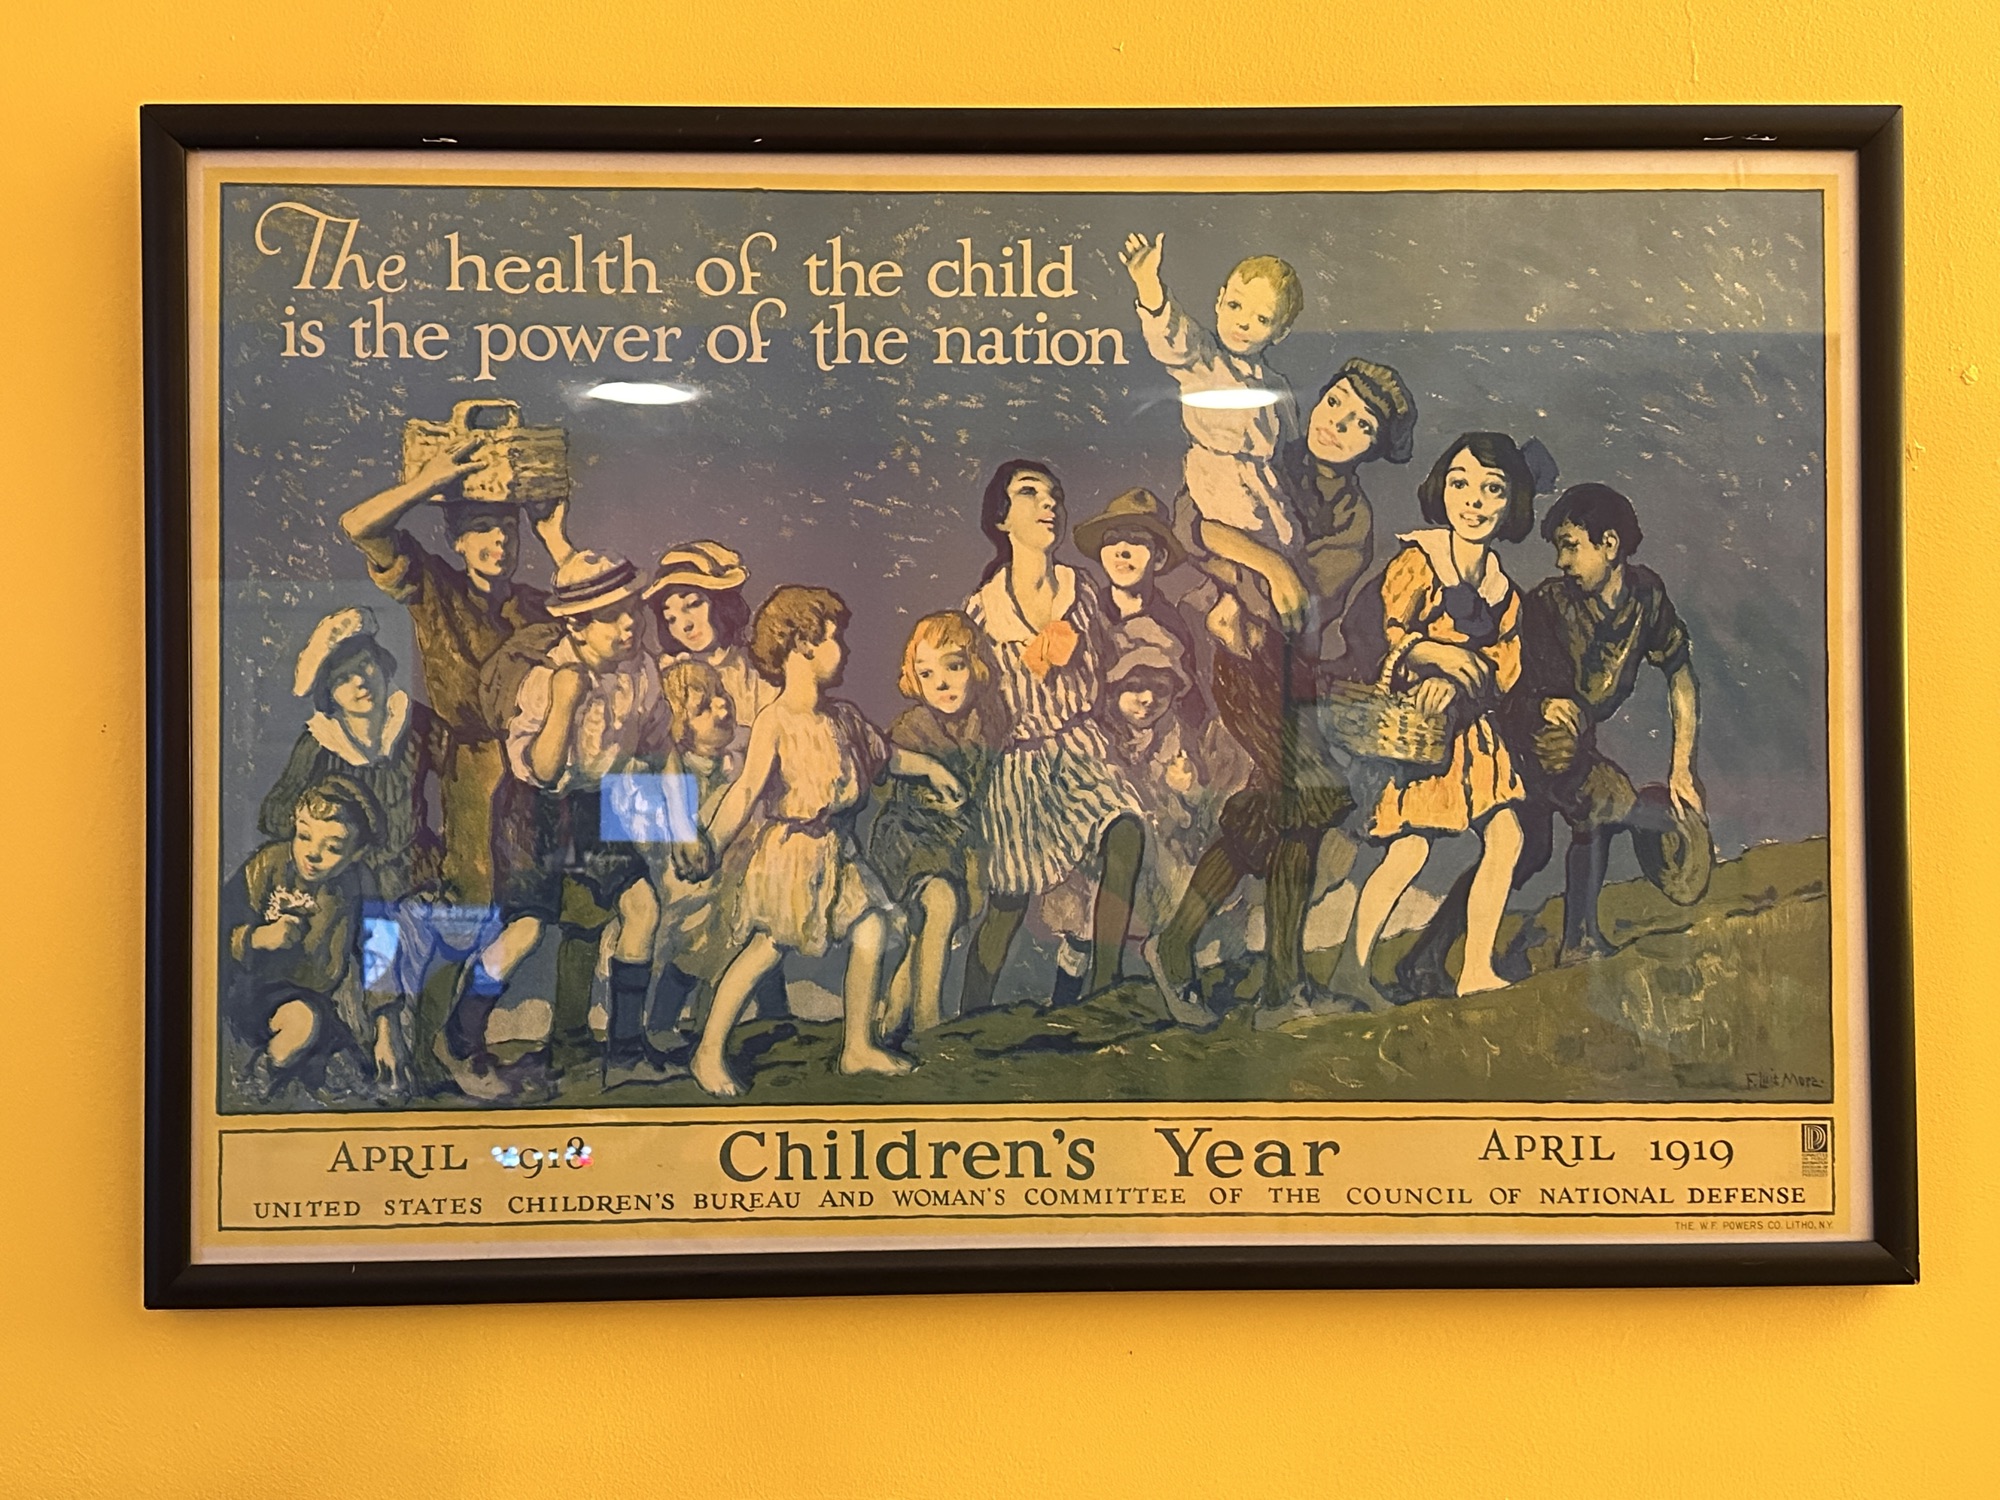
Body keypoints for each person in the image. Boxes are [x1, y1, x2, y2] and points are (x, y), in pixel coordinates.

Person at [1394, 482, 1705, 994]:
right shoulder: (1546, 604)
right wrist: (1544, 704)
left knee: (1531, 850)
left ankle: (1424, 960)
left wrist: (1682, 766)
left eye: (1571, 546)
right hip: (1523, 739)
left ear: (1610, 545)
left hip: (1570, 744)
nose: (1561, 561)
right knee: (1603, 798)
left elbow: (1681, 674)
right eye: (1559, 548)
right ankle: (1580, 938)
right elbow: (1510, 686)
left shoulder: (1647, 597)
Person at [690, 587, 961, 1096]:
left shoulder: (844, 717)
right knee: (767, 948)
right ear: (802, 646)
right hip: (791, 854)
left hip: (839, 851)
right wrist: (711, 843)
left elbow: (889, 757)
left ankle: (857, 1047)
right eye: (835, 638)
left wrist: (933, 770)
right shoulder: (776, 721)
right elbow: (745, 790)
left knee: (872, 928)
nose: (846, 650)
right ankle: (707, 1053)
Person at [1328, 432, 1554, 1009]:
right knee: (1409, 850)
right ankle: (1351, 970)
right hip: (1420, 731)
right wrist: (1437, 657)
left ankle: (1475, 967)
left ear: (1512, 503)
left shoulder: (1503, 590)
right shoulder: (1420, 560)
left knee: (1507, 835)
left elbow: (1504, 667)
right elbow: (1388, 632)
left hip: (1473, 735)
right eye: (1460, 484)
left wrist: (1459, 679)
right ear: (1440, 489)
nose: (1473, 501)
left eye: (1492, 489)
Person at [462, 550, 682, 1095]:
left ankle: (625, 1052)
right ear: (576, 626)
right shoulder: (546, 679)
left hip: (595, 804)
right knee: (527, 930)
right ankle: (461, 1037)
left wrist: (680, 826)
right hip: (533, 809)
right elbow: (541, 769)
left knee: (642, 907)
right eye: (611, 616)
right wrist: (565, 702)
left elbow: (660, 749)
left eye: (632, 609)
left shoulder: (642, 671)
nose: (630, 623)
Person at [958, 460, 1149, 1013]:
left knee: (1126, 831)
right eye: (1030, 493)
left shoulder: (1080, 590)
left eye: (1055, 496)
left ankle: (1106, 989)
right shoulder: (982, 611)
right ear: (1001, 519)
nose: (1049, 505)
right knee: (1009, 899)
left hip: (1080, 746)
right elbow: (974, 706)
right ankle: (968, 1017)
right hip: (1019, 762)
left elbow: (1106, 668)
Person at [257, 607, 450, 1095]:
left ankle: (415, 1056)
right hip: (352, 884)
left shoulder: (416, 724)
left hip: (416, 874)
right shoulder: (320, 744)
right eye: (343, 678)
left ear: (382, 665)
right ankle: (372, 1058)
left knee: (426, 936)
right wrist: (331, 826)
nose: (360, 683)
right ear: (330, 693)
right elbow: (276, 815)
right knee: (360, 946)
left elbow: (458, 780)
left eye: (365, 666)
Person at [1141, 589, 1353, 1029]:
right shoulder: (1233, 595)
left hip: (1272, 647)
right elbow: (1227, 560)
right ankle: (1279, 990)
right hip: (1250, 649)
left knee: (1281, 809)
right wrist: (1252, 606)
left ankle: (1269, 982)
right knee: (1297, 796)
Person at [1120, 232, 1312, 634]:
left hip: (1265, 496)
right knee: (1244, 597)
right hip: (1218, 488)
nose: (1242, 323)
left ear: (1280, 332)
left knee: (1274, 609)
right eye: (1235, 306)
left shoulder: (1277, 387)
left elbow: (1291, 450)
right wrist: (1148, 284)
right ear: (1220, 300)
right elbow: (1172, 338)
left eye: (1262, 319)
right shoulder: (1205, 362)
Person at [870, 610, 1005, 1036]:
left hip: (957, 843)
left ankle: (892, 1014)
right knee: (941, 903)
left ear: (975, 665)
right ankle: (929, 1019)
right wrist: (928, 779)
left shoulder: (986, 722)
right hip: (911, 840)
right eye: (926, 674)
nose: (941, 683)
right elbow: (881, 768)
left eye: (954, 666)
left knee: (933, 928)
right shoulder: (914, 727)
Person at [223, 777, 382, 1103]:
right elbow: (213, 931)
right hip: (251, 990)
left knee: (355, 1071)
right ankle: (262, 1072)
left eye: (333, 848)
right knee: (302, 1024)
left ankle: (313, 1067)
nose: (313, 854)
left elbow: (381, 950)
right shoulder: (267, 864)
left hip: (313, 995)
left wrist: (386, 1024)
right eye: (304, 836)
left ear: (357, 853)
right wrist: (257, 938)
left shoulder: (358, 883)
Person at [1291, 357, 1420, 652]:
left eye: (1362, 424)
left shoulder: (1352, 518)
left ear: (1375, 447)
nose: (1338, 423)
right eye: (1334, 402)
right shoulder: (1264, 453)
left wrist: (1272, 569)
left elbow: (1299, 602)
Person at [1099, 617, 1212, 939]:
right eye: (1135, 686)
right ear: (1114, 689)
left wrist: (1188, 788)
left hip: (1160, 852)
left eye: (1161, 689)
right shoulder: (1096, 736)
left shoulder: (1174, 734)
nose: (1148, 699)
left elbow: (1196, 813)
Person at [1074, 487, 1208, 725]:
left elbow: (1189, 710)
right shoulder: (1083, 614)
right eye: (1112, 540)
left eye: (1137, 541)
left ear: (1159, 557)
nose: (1122, 551)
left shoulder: (1176, 628)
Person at [645, 540, 772, 745]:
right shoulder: (664, 676)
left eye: (693, 604)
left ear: (721, 603)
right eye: (671, 619)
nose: (685, 625)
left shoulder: (758, 669)